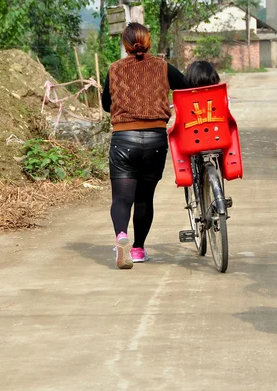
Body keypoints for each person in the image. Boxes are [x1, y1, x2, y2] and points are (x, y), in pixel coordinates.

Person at [102, 22, 188, 269]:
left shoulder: (115, 69)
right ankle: (138, 249)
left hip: (124, 139)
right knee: (144, 199)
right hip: (155, 140)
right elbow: (186, 87)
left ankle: (121, 237)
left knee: (121, 199)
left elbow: (106, 105)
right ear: (148, 42)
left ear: (125, 45)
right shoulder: (163, 67)